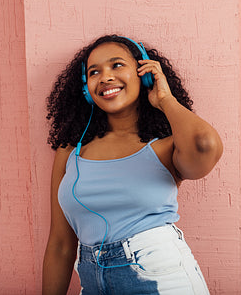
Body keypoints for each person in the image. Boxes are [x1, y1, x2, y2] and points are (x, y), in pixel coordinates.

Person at [43, 34, 223, 295]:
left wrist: (165, 100)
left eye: (117, 65)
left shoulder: (165, 147)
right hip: (93, 281)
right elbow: (60, 244)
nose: (105, 77)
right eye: (94, 72)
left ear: (144, 74)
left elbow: (205, 144)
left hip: (161, 276)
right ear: (85, 87)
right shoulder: (71, 151)